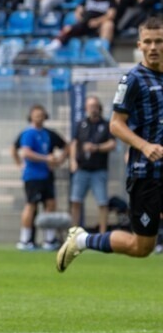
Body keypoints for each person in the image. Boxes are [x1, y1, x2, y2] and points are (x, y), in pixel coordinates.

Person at [57, 17, 163, 272]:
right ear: (139, 45)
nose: (153, 47)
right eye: (147, 42)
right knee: (141, 247)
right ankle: (82, 240)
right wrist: (145, 146)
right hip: (146, 174)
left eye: (159, 41)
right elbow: (116, 124)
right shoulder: (133, 79)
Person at [17, 104, 65, 250]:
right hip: (33, 176)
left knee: (50, 204)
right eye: (36, 114)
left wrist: (57, 160)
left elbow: (65, 147)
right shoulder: (28, 133)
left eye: (41, 114)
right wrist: (46, 159)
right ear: (31, 116)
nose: (39, 117)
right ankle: (25, 239)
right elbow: (26, 153)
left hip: (46, 175)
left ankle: (49, 239)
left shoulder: (46, 134)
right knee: (31, 205)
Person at [68, 96, 115, 234]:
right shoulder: (81, 124)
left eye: (95, 106)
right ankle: (73, 233)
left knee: (102, 203)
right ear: (86, 108)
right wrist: (72, 161)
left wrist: (97, 147)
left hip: (98, 170)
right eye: (90, 106)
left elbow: (112, 144)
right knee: (76, 201)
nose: (93, 109)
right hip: (82, 169)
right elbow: (74, 143)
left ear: (99, 107)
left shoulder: (106, 125)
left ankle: (102, 234)